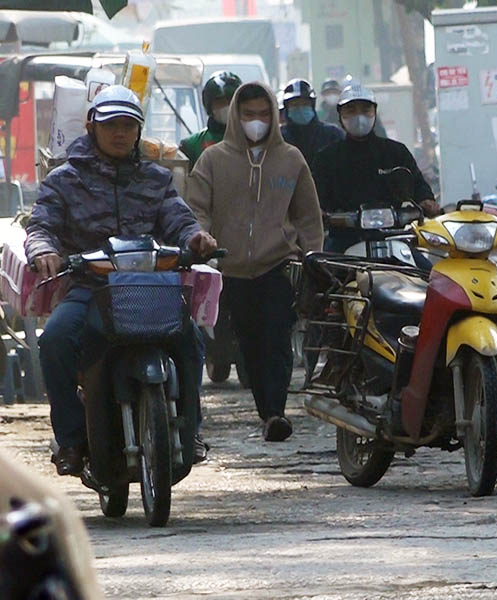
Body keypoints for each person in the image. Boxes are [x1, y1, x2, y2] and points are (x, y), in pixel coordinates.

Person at [25, 85, 218, 476]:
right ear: (91, 126)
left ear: (138, 132)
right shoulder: (64, 179)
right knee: (57, 340)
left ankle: (191, 430)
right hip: (88, 288)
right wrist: (43, 250)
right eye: (111, 124)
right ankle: (72, 440)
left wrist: (195, 238)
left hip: (150, 289)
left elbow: (179, 220)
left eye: (128, 125)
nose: (120, 133)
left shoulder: (156, 178)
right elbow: (41, 225)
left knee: (192, 339)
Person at [186, 82, 324, 442]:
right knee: (249, 343)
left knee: (277, 338)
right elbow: (196, 208)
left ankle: (275, 412)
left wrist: (312, 256)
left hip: (277, 263)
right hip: (229, 267)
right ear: (236, 116)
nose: (257, 122)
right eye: (249, 115)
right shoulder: (213, 160)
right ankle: (267, 410)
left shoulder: (291, 159)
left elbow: (308, 215)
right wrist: (201, 238)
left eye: (264, 114)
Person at [311, 84, 441, 252]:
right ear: (340, 116)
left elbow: (417, 183)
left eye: (366, 110)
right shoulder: (326, 158)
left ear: (374, 113)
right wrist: (319, 212)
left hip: (395, 237)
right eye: (351, 110)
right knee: (319, 274)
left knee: (428, 275)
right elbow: (315, 197)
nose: (359, 116)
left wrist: (427, 201)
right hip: (343, 241)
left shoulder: (396, 152)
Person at [179, 71, 242, 170]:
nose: (228, 107)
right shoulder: (192, 145)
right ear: (209, 106)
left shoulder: (252, 140)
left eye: (232, 101)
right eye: (220, 102)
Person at [280, 78, 344, 163]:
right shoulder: (279, 137)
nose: (300, 108)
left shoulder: (332, 135)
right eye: (295, 105)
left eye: (305, 104)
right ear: (287, 108)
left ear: (312, 105)